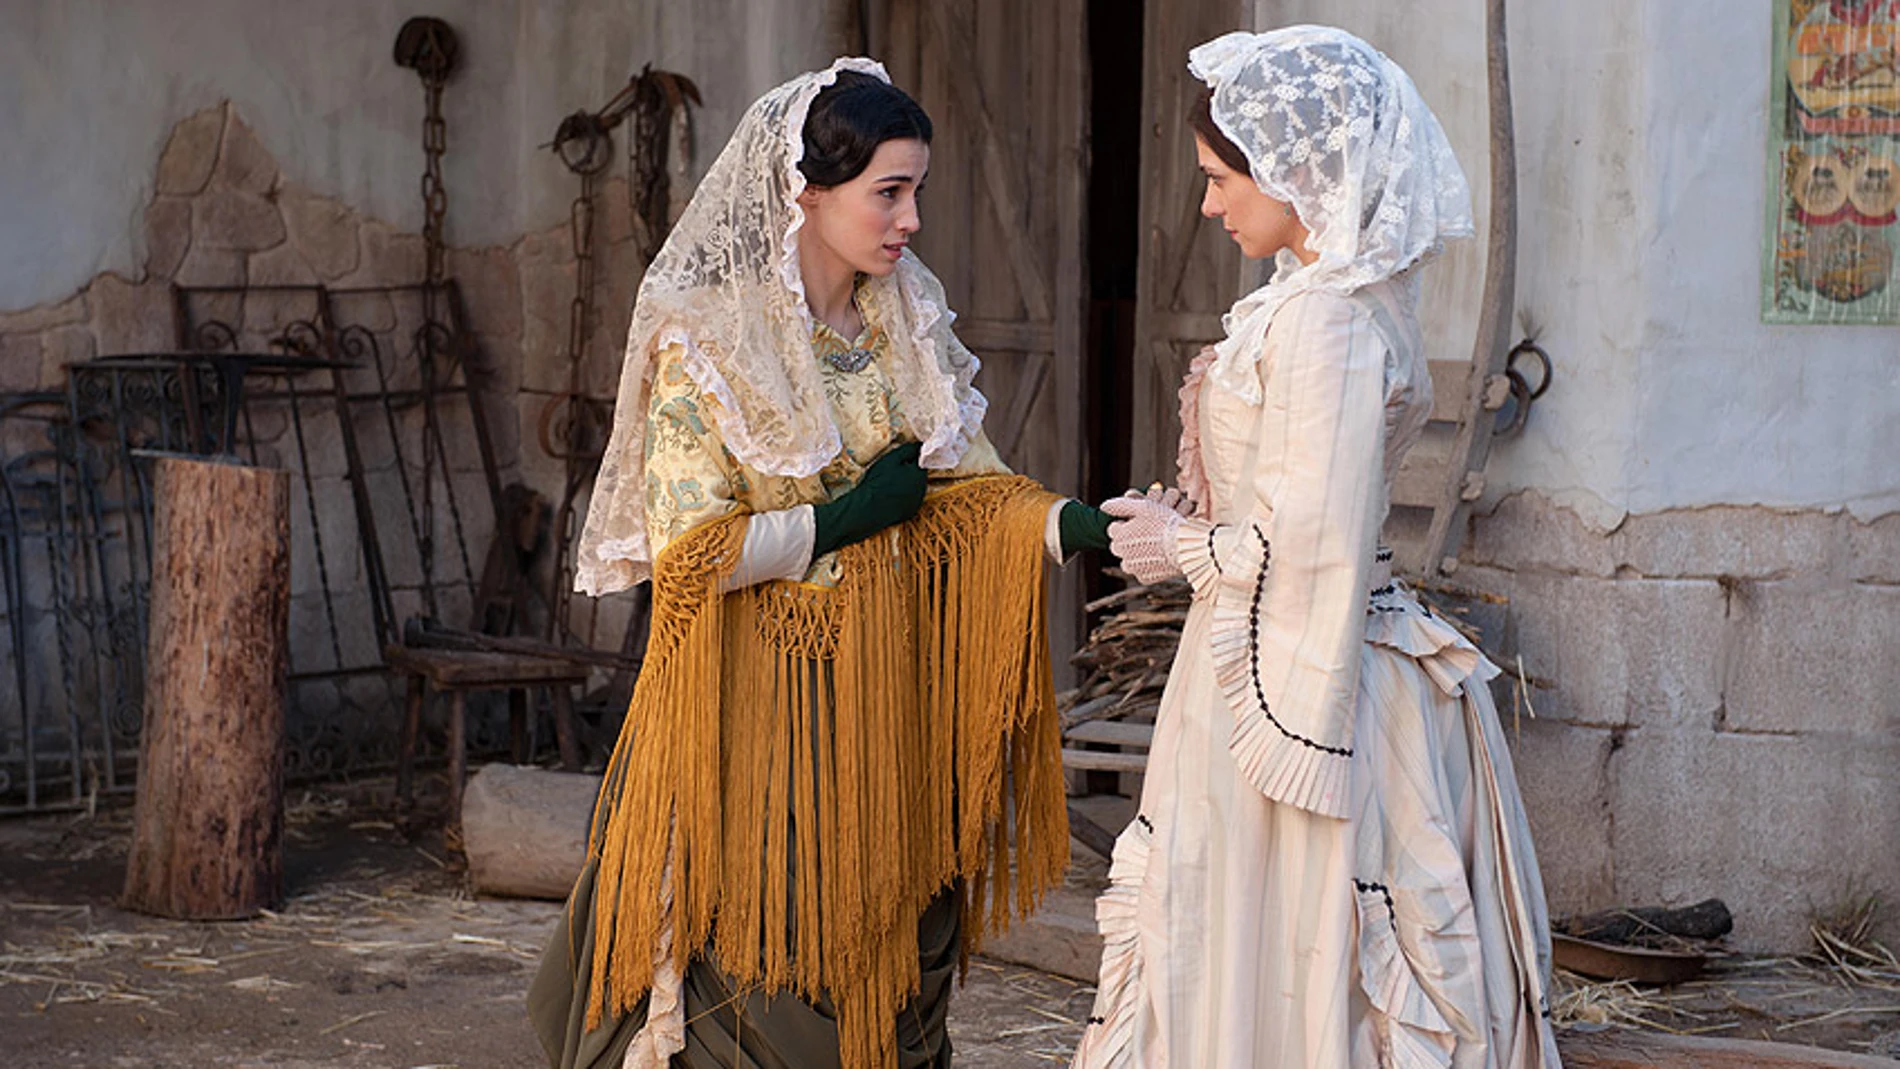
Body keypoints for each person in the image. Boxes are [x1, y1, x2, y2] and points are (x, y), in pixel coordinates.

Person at [529, 58, 1112, 1069]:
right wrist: (841, 520)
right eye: (889, 191)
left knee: (896, 936)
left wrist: (1084, 525)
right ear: (804, 191)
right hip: (755, 713)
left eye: (915, 190)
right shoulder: (707, 338)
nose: (911, 219)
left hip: (888, 702)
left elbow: (973, 488)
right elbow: (690, 558)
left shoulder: (901, 320)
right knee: (772, 945)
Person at [1071, 27, 1561, 1069]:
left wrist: (1178, 544)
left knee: (1288, 930)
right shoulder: (1337, 300)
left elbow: (1310, 540)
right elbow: (1295, 493)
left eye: (1217, 178)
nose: (1207, 205)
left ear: (1293, 169)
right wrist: (1203, 509)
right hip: (1274, 650)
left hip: (1308, 674)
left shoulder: (1326, 319)